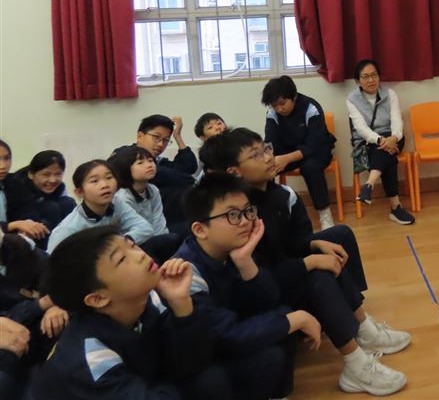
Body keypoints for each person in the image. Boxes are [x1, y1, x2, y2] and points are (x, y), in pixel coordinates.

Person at [200, 128, 411, 396]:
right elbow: (261, 274)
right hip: (257, 294)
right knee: (317, 276)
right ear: (235, 172)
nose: (268, 157)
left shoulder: (279, 194)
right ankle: (356, 364)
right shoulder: (240, 215)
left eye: (266, 149)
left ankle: (363, 328)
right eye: (255, 155)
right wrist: (309, 262)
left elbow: (289, 245)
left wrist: (313, 245)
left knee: (335, 242)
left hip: (278, 276)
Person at [32, 226, 227, 399]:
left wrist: (181, 304)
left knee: (211, 378)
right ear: (98, 299)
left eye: (132, 245)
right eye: (122, 259)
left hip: (146, 382)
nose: (140, 255)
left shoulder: (146, 299)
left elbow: (196, 359)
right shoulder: (91, 358)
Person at [176, 172, 323, 400]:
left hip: (226, 341)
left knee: (281, 316)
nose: (245, 221)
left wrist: (245, 261)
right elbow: (224, 336)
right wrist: (295, 319)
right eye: (232, 215)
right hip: (202, 365)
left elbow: (269, 301)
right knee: (280, 330)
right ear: (200, 230)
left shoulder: (233, 248)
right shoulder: (187, 273)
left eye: (247, 211)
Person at [262, 76, 337, 230]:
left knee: (311, 167)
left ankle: (325, 215)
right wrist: (270, 159)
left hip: (317, 151)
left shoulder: (310, 107)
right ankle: (270, 214)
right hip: (288, 151)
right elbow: (270, 142)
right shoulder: (272, 113)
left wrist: (287, 158)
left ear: (294, 96)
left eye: (282, 103)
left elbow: (314, 144)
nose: (279, 109)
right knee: (265, 168)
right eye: (275, 105)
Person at [347, 59, 415, 225]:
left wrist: (394, 138)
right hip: (369, 140)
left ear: (379, 77)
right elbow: (361, 128)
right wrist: (380, 140)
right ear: (358, 81)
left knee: (384, 150)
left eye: (374, 75)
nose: (371, 80)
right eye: (365, 77)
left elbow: (397, 120)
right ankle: (395, 208)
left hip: (394, 137)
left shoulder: (390, 94)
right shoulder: (352, 99)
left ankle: (369, 184)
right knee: (386, 154)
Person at [0, 231, 63, 399]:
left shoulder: (20, 247)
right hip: (13, 351)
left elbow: (56, 274)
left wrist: (57, 304)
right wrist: (41, 304)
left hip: (45, 326)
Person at [46, 160, 154, 253]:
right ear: (79, 192)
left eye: (109, 177)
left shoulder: (116, 203)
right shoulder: (69, 228)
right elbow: (52, 261)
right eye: (94, 181)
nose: (105, 185)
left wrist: (120, 242)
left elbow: (145, 228)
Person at [109, 146, 181, 263]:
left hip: (152, 237)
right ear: (126, 169)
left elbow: (159, 221)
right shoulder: (122, 196)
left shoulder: (153, 190)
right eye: (140, 163)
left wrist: (164, 241)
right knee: (172, 239)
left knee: (176, 236)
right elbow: (131, 229)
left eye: (151, 161)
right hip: (133, 243)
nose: (149, 165)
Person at [134, 114, 197, 231]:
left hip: (170, 221)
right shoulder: (124, 154)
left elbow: (189, 167)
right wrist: (186, 179)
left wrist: (177, 136)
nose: (160, 144)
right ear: (140, 136)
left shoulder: (160, 161)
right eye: (156, 137)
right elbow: (183, 177)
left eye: (166, 140)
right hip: (144, 225)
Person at [6, 150, 76, 248]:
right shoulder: (17, 186)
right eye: (46, 174)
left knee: (68, 203)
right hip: (19, 233)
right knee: (51, 208)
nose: (52, 180)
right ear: (31, 174)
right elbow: (23, 215)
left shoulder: (60, 187)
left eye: (58, 174)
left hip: (47, 225)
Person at [0, 140, 49, 243]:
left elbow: (27, 208)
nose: (3, 166)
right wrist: (13, 225)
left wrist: (28, 223)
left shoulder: (13, 182)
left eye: (7, 158)